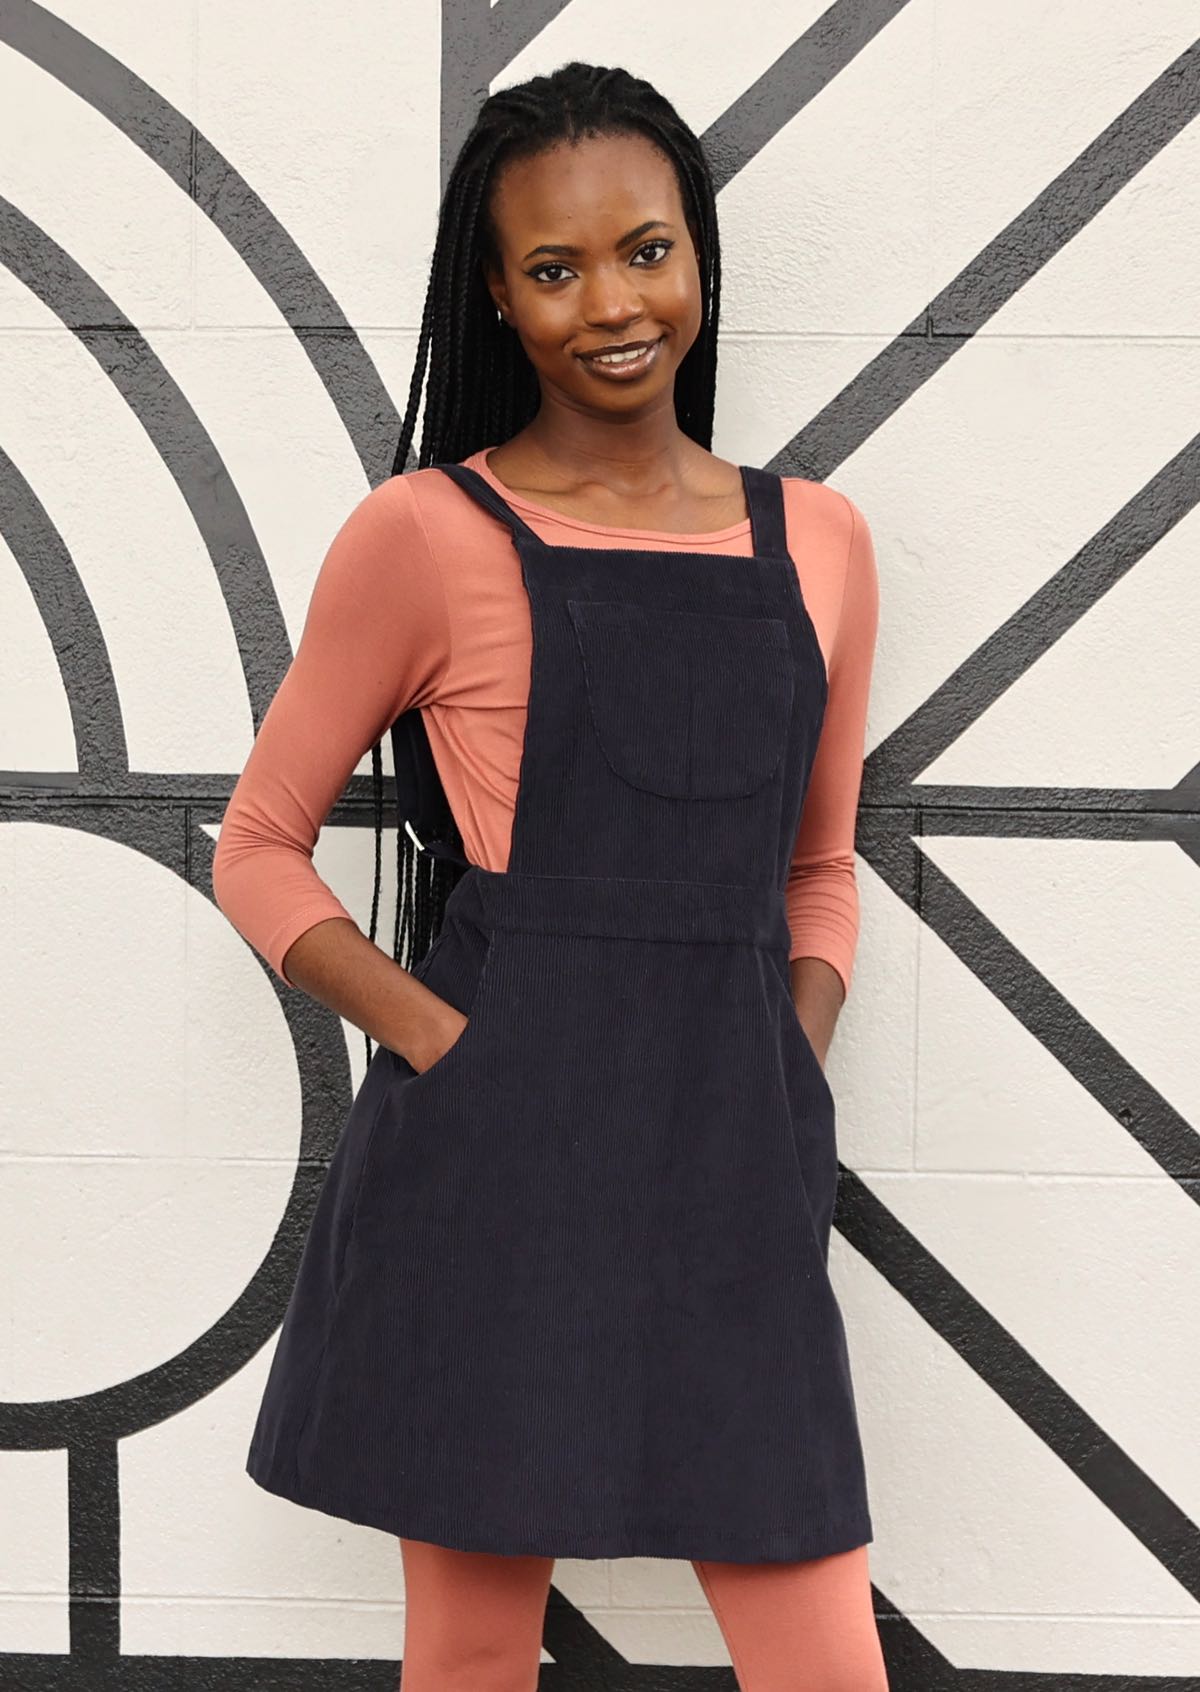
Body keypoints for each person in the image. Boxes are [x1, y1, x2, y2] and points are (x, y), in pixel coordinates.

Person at [213, 59, 888, 1692]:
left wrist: (783, 1064)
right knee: (470, 1649)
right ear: (499, 299)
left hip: (732, 1156)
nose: (614, 305)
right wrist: (449, 1046)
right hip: (492, 1165)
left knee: (818, 1646)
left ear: (700, 256)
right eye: (555, 268)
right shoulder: (422, 536)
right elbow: (256, 849)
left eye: (647, 250)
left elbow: (817, 865)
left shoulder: (821, 542)